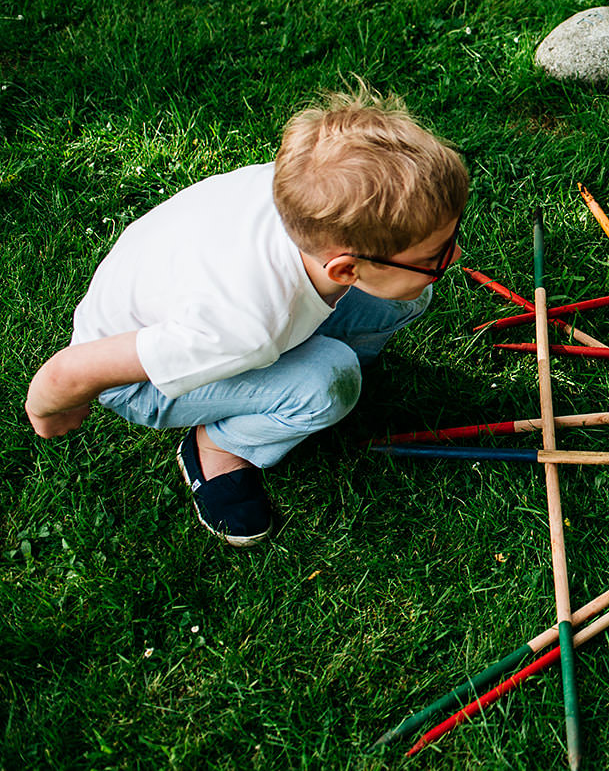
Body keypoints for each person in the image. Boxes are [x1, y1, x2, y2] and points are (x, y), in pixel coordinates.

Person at [24, 86, 469, 547]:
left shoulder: (317, 197)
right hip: (141, 381)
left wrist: (419, 269)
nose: (453, 257)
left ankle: (289, 384)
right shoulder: (243, 325)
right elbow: (72, 368)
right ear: (344, 269)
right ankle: (217, 446)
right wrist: (50, 408)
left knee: (408, 295)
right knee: (329, 382)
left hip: (200, 315)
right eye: (434, 255)